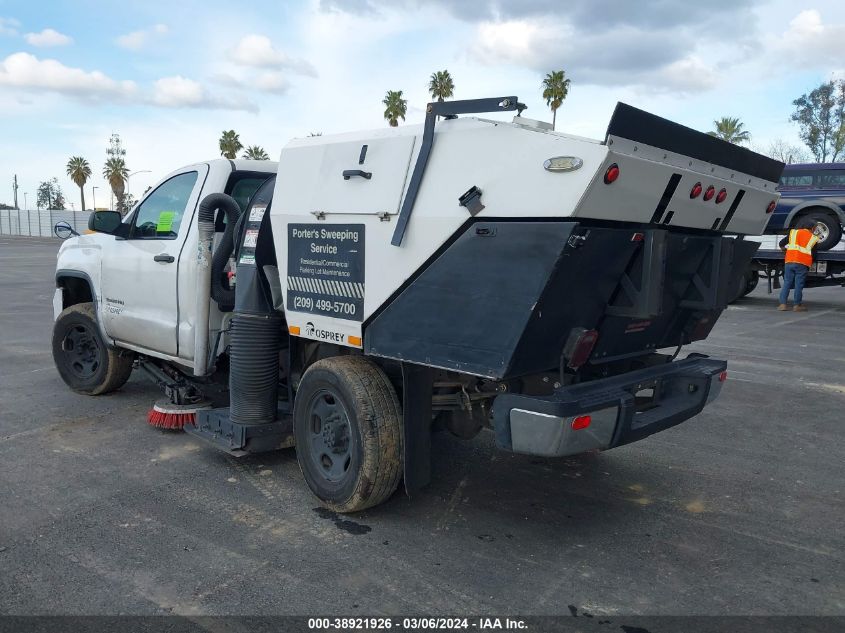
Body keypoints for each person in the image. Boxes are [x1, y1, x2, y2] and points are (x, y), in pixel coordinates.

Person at [778, 220, 819, 312]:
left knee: (787, 283)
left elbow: (781, 243)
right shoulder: (813, 238)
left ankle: (782, 305)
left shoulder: (794, 233)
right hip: (802, 264)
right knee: (798, 285)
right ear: (812, 228)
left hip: (789, 261)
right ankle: (797, 305)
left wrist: (784, 250)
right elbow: (814, 255)